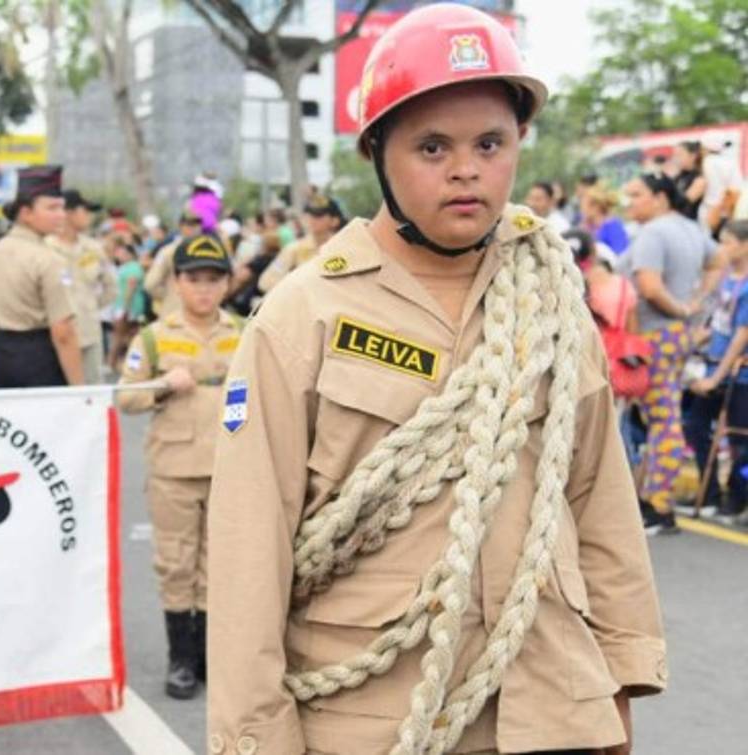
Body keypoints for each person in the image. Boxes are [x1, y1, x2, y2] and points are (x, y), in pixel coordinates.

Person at [207, 6, 666, 754]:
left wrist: (618, 685)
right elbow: (247, 551)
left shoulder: (551, 301)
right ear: (378, 153)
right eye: (431, 146)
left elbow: (598, 503)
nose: (466, 169)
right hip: (373, 721)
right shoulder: (305, 315)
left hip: (549, 711)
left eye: (491, 142)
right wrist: (257, 738)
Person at [117, 233, 241, 701]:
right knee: (176, 562)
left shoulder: (244, 333)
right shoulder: (154, 337)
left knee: (219, 564)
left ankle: (208, 654)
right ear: (177, 282)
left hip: (229, 467)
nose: (204, 289)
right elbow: (126, 398)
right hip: (173, 467)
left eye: (213, 280)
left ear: (227, 284)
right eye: (194, 280)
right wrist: (164, 385)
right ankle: (181, 659)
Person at [620, 172, 718, 534]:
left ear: (660, 197)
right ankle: (647, 497)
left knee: (663, 420)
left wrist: (682, 308)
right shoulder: (691, 229)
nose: (630, 204)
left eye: (636, 195)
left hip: (655, 336)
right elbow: (719, 260)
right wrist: (695, 303)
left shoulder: (654, 233)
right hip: (676, 336)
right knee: (662, 416)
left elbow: (648, 285)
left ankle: (658, 504)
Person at [0, 165, 83, 388]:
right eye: (52, 208)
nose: (61, 215)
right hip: (38, 359)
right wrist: (79, 390)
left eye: (62, 208)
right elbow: (63, 332)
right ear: (26, 213)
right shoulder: (49, 260)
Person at [685, 220, 748, 524]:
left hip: (737, 373)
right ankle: (708, 492)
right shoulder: (726, 279)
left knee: (739, 441)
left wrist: (716, 377)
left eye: (729, 242)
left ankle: (737, 497)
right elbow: (720, 323)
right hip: (712, 363)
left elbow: (741, 336)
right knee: (695, 425)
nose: (723, 248)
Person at [48, 189, 118, 384]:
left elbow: (111, 287)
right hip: (56, 336)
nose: (89, 216)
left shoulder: (93, 248)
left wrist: (89, 306)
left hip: (89, 332)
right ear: (68, 213)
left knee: (92, 392)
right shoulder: (46, 248)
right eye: (84, 210)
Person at [257, 195, 344, 292]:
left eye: (319, 216)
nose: (312, 219)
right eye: (310, 214)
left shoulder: (343, 248)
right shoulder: (295, 248)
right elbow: (266, 281)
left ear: (335, 221)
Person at [145, 211, 205, 317]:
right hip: (175, 314)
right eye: (189, 225)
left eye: (196, 225)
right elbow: (151, 284)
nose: (194, 229)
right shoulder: (168, 252)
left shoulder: (207, 252)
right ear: (181, 227)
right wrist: (171, 295)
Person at [108, 239, 147, 374]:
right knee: (127, 335)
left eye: (123, 253)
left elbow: (130, 288)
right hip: (121, 305)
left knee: (121, 335)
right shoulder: (124, 267)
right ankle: (124, 363)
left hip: (131, 307)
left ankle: (112, 362)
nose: (119, 256)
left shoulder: (134, 267)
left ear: (130, 254)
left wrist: (125, 308)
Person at [581, 184, 631, 255]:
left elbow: (619, 255)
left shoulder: (614, 228)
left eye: (584, 205)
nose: (582, 210)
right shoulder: (588, 225)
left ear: (596, 207)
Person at [672, 141, 706, 221]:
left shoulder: (699, 179)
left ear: (693, 156)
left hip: (689, 223)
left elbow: (683, 203)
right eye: (675, 155)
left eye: (679, 155)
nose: (676, 159)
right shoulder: (677, 177)